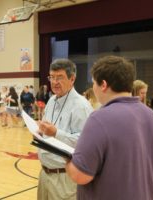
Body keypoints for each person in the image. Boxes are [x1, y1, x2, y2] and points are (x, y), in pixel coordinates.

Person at [65, 55, 153, 200]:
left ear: (103, 85)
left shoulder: (99, 119)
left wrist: (67, 161)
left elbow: (81, 175)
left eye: (94, 83)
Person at [37, 58, 93, 200]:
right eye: (52, 77)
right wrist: (40, 132)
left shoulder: (81, 105)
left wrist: (56, 133)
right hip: (45, 174)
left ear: (72, 79)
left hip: (64, 178)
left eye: (60, 77)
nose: (54, 82)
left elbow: (85, 143)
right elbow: (47, 130)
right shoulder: (51, 100)